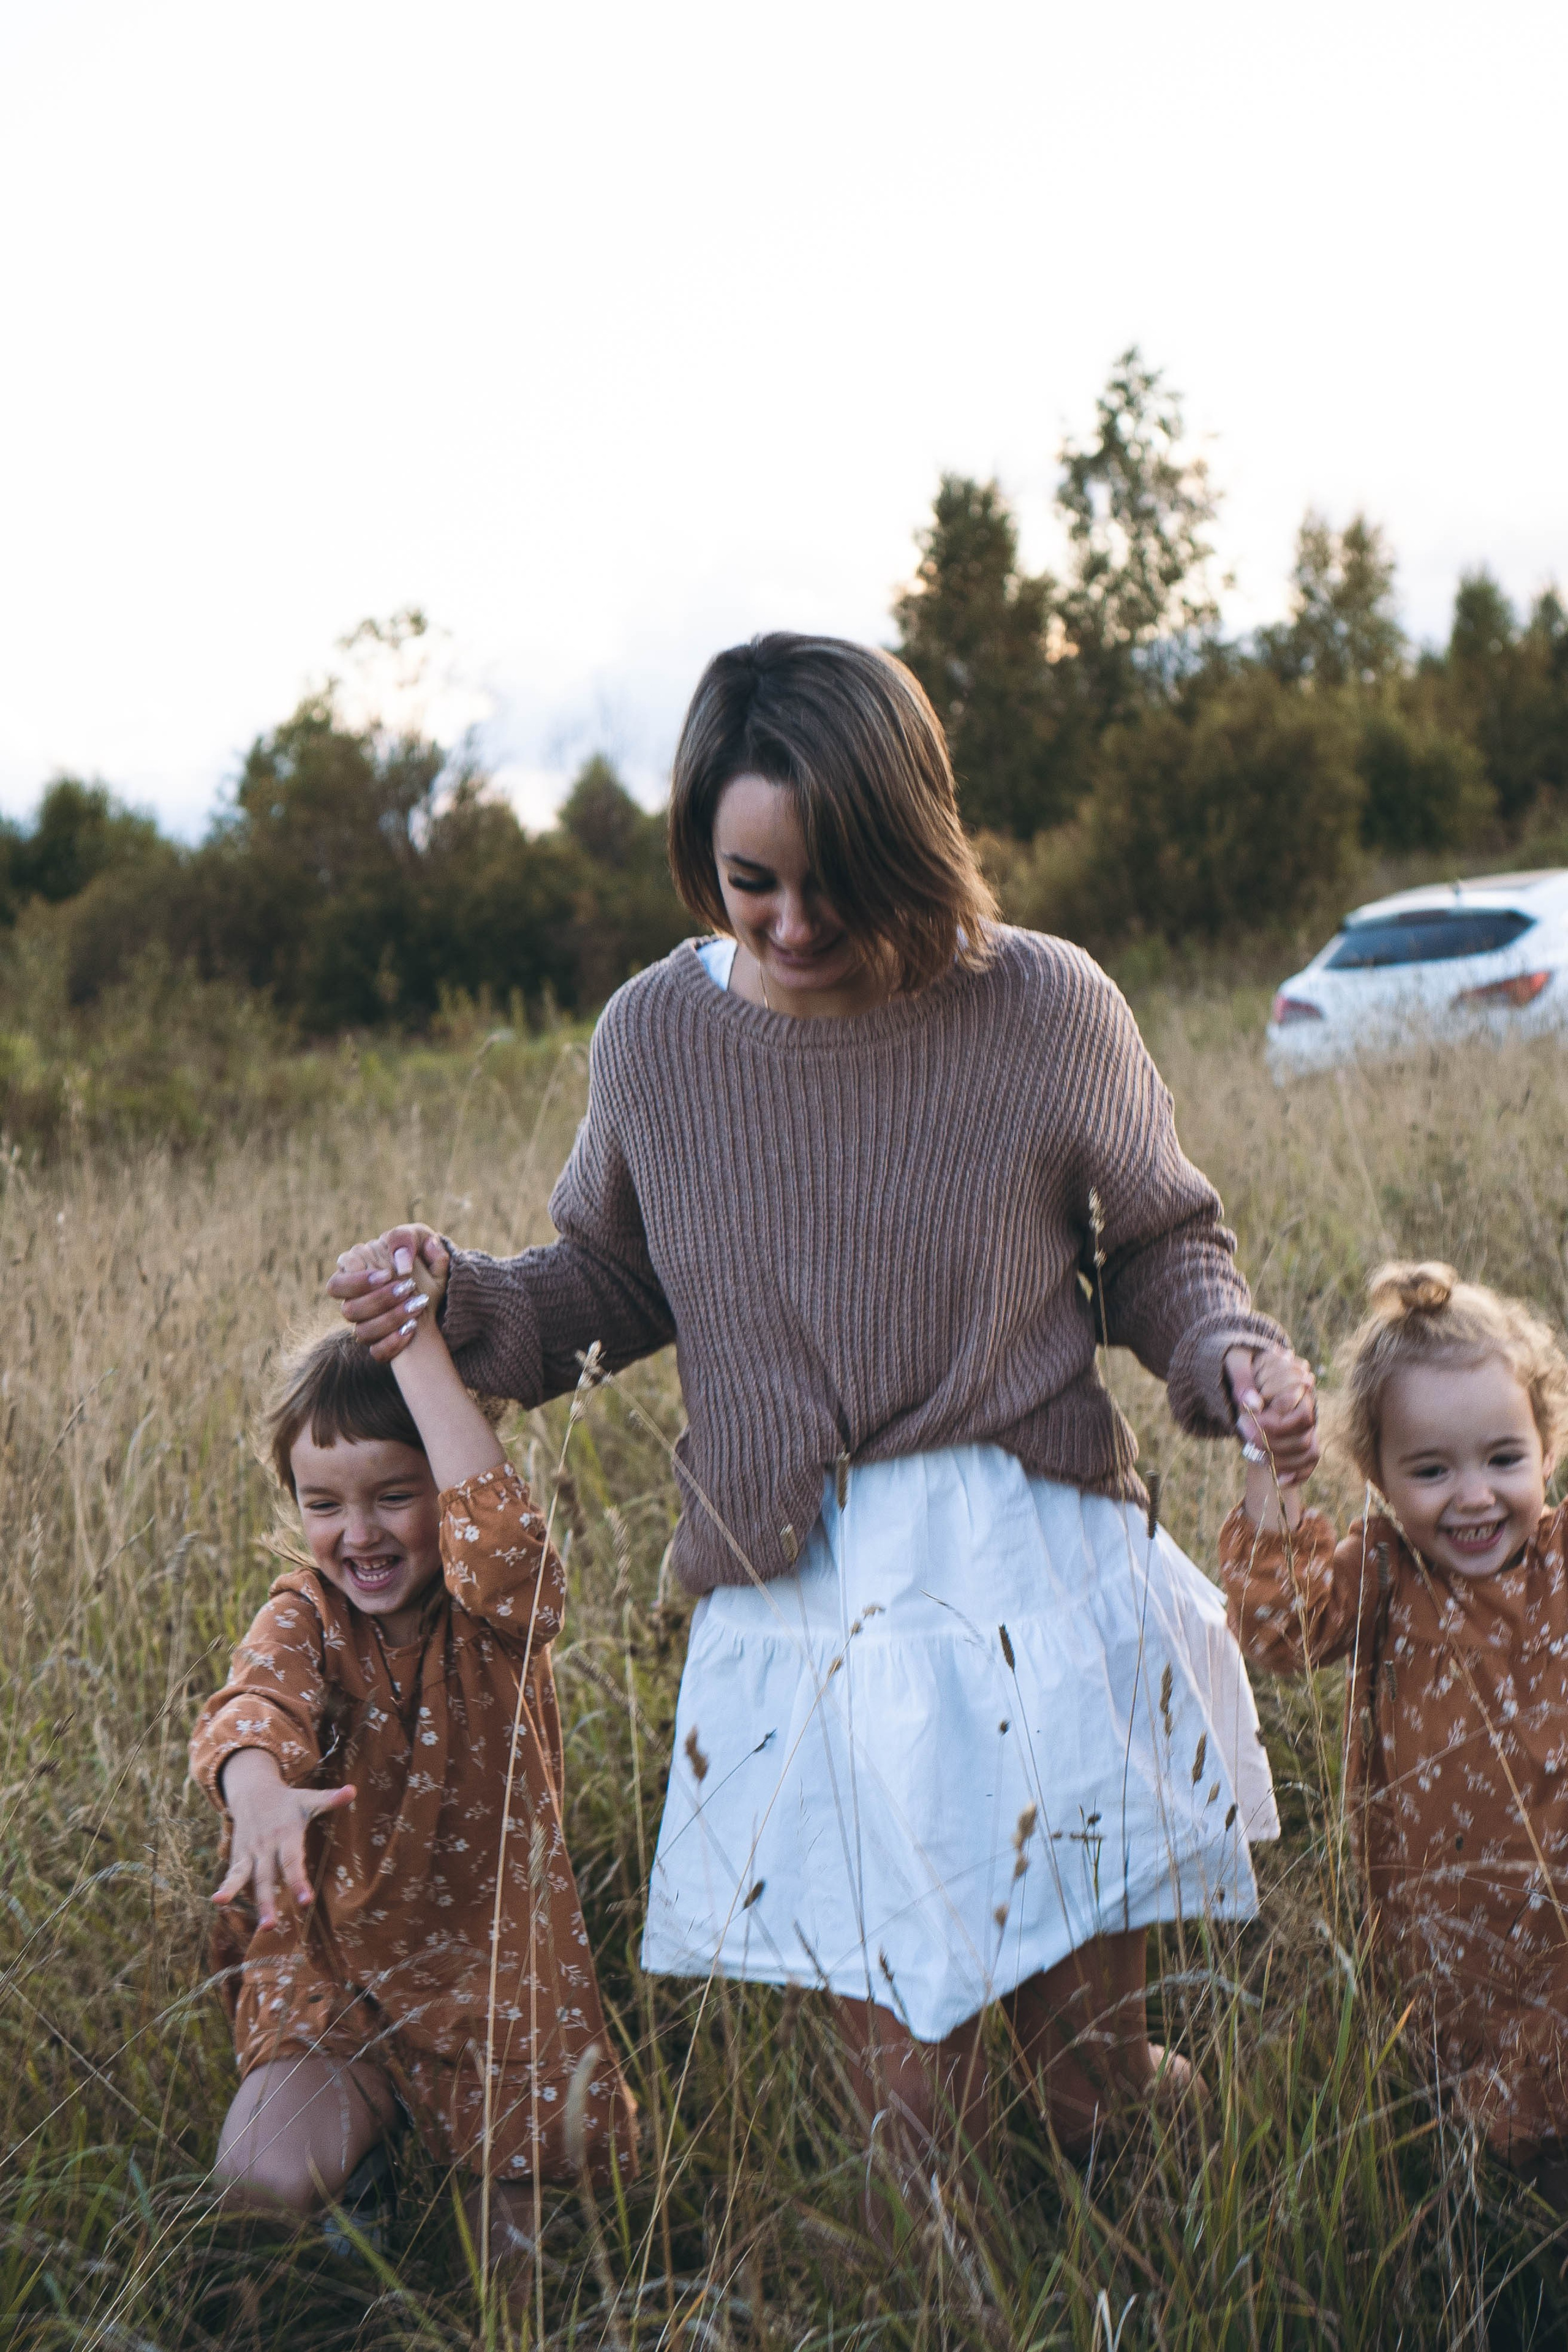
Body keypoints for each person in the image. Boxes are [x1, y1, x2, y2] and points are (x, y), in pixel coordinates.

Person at [330, 633, 1316, 2199]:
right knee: (909, 2134)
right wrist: (455, 1299)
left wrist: (1229, 1357)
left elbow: (1158, 1247)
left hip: (1035, 1571)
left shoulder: (1044, 1003)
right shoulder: (657, 1039)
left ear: (911, 840)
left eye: (836, 881)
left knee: (1085, 2087)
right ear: (701, 859)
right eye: (749, 885)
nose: (794, 926)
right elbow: (605, 1281)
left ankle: (1180, 2233)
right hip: (808, 1601)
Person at [190, 1250, 635, 2269]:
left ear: (447, 1481)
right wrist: (255, 1790)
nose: (359, 1534)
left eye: (396, 1495)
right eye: (323, 1504)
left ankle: (437, 2180)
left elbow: (511, 1540)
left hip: (497, 1991)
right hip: (341, 1977)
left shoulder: (495, 1616)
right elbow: (254, 1701)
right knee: (259, 2179)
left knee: (517, 2281)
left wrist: (416, 1336)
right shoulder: (305, 1611)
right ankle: (366, 2173)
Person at [1221, 1261, 1568, 2177]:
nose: (1474, 1497)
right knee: (1480, 2141)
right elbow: (1273, 1628)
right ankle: (1480, 2209)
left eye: (1504, 1459)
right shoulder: (1382, 1572)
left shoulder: (1562, 1562)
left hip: (1561, 1928)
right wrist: (1276, 1475)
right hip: (1446, 1936)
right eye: (1430, 1470)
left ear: (1547, 1448)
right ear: (1374, 1472)